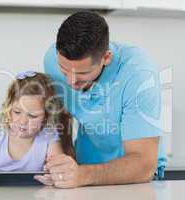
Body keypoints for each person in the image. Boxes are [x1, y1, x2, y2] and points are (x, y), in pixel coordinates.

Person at [37, 11, 166, 188]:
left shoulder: (139, 75)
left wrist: (82, 175)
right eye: (64, 71)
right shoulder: (52, 59)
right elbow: (63, 111)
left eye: (82, 73)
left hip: (135, 180)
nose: (71, 82)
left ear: (106, 58)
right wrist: (67, 158)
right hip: (83, 173)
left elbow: (143, 164)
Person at [0, 71, 73, 175]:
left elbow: (58, 169)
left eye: (32, 116)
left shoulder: (49, 139)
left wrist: (55, 170)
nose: (23, 121)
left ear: (46, 117)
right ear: (8, 110)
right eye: (17, 112)